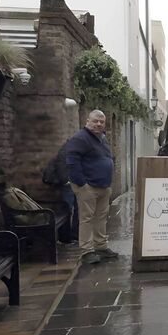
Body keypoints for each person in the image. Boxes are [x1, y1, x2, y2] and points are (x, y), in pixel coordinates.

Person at [66, 109, 118, 265]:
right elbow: (72, 162)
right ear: (87, 121)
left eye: (102, 122)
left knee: (101, 217)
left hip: (103, 185)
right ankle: (87, 251)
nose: (99, 124)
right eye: (95, 121)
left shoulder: (102, 138)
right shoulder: (80, 138)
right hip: (88, 186)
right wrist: (82, 184)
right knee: (86, 219)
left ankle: (101, 246)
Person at [43, 139, 79, 243]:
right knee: (68, 209)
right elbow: (61, 164)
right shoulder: (68, 148)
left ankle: (72, 235)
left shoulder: (72, 148)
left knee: (74, 209)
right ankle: (66, 237)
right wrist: (66, 181)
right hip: (69, 185)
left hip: (73, 183)